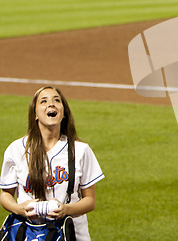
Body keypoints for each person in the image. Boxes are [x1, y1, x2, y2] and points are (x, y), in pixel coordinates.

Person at [0, 86, 105, 240]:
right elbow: (5, 194)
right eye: (44, 101)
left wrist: (66, 209)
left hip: (72, 234)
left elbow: (90, 201)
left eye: (57, 100)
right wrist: (19, 208)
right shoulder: (16, 150)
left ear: (63, 113)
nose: (51, 104)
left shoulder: (80, 150)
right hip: (28, 234)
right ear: (35, 114)